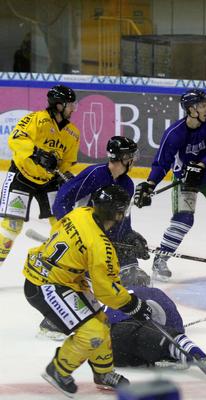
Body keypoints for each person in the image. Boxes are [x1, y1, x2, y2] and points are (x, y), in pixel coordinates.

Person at [22, 184, 153, 397]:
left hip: (57, 275)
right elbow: (106, 291)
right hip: (45, 284)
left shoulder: (82, 213)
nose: (122, 215)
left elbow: (87, 243)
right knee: (92, 332)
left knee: (101, 321)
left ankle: (103, 373)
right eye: (121, 210)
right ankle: (59, 370)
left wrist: (116, 247)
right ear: (114, 212)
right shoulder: (101, 246)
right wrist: (133, 305)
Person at [36, 136, 151, 341]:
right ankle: (56, 320)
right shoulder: (95, 174)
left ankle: (124, 317)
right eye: (132, 156)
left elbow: (121, 219)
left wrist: (130, 239)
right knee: (89, 282)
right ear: (124, 158)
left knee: (135, 277)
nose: (134, 160)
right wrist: (71, 231)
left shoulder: (127, 184)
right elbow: (63, 200)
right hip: (78, 237)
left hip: (99, 240)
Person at [133, 89, 206, 281]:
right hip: (185, 180)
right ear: (191, 109)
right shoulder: (174, 134)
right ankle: (161, 259)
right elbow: (162, 163)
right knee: (183, 220)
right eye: (202, 105)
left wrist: (201, 165)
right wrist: (150, 184)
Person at [0, 85, 79, 267]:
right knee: (12, 227)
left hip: (49, 181)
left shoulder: (73, 133)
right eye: (70, 105)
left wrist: (65, 173)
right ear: (59, 105)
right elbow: (16, 139)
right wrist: (37, 153)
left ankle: (61, 266)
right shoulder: (35, 119)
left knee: (62, 224)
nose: (73, 108)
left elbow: (68, 161)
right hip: (22, 177)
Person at [106, 285, 206, 377]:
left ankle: (164, 356)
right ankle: (203, 360)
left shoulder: (118, 292)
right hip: (131, 332)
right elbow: (177, 331)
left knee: (149, 348)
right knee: (170, 340)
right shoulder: (155, 293)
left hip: (109, 349)